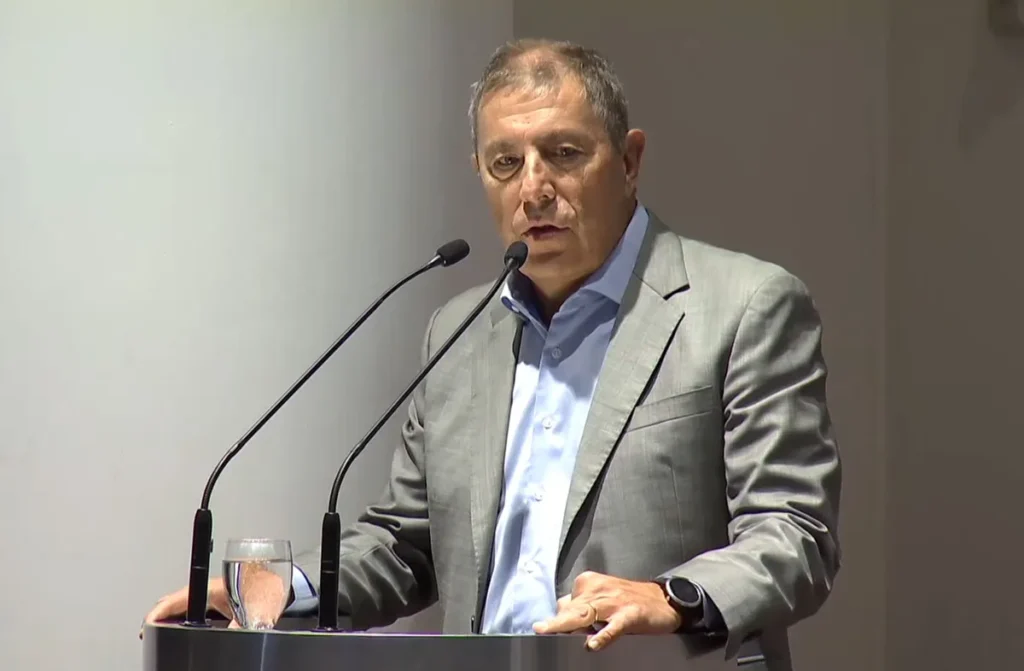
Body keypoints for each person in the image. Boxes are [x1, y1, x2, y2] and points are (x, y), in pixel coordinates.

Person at [144, 38, 841, 662]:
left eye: (564, 154)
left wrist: (673, 597)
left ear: (629, 161)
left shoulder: (744, 307)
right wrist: (278, 590)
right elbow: (405, 544)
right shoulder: (458, 331)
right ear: (480, 172)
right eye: (506, 163)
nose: (533, 188)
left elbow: (795, 533)